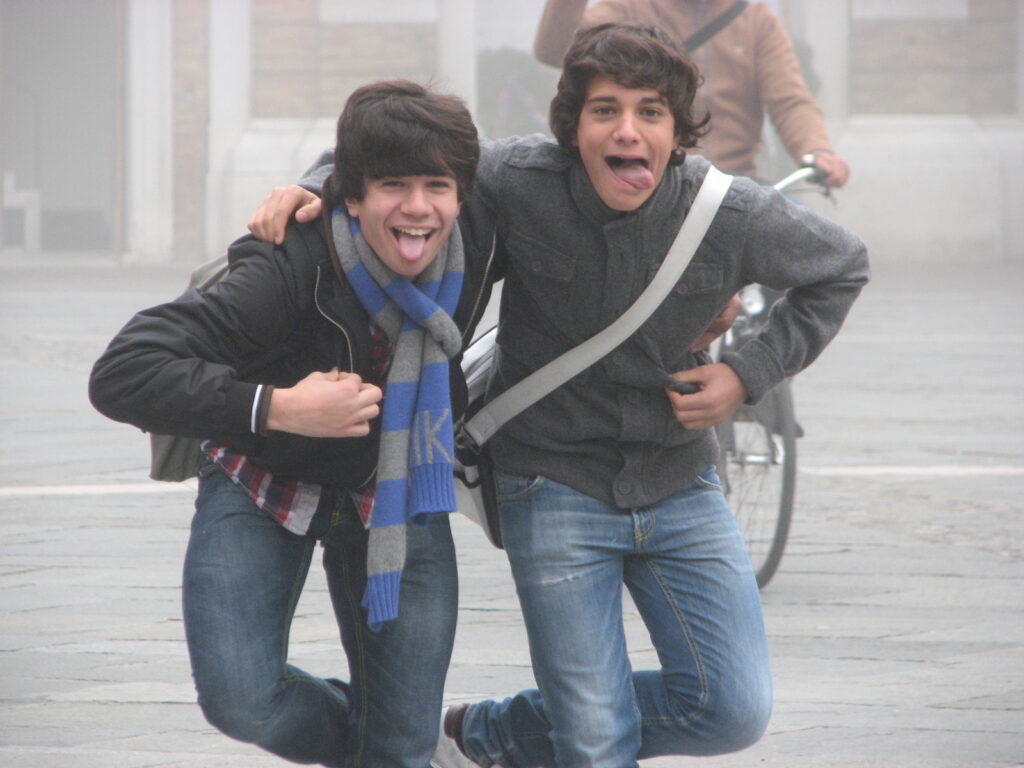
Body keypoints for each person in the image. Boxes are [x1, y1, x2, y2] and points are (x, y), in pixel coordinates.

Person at [249, 24, 869, 768]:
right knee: (595, 738)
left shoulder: (730, 212)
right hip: (550, 483)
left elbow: (842, 266)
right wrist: (314, 184)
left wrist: (747, 373)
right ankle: (564, 725)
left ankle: (489, 732)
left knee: (731, 711)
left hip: (679, 480)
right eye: (605, 110)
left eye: (650, 112)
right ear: (573, 128)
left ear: (677, 133)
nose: (627, 130)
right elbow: (403, 155)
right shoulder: (520, 178)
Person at [89, 81, 493, 768]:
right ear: (351, 197)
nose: (419, 208)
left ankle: (404, 742)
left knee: (403, 742)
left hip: (398, 488)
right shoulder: (287, 261)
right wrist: (279, 407)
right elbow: (124, 370)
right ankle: (390, 741)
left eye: (437, 186)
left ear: (462, 195)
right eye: (393, 185)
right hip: (265, 479)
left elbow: (568, 168)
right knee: (242, 699)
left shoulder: (480, 236)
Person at [533, 0, 851, 187]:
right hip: (651, 178)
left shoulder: (755, 20)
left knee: (801, 240)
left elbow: (789, 100)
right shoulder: (628, 8)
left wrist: (816, 151)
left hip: (732, 180)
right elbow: (555, 50)